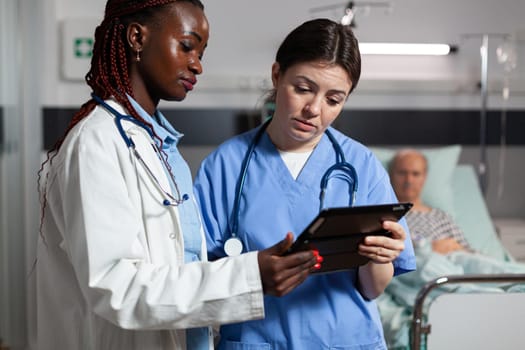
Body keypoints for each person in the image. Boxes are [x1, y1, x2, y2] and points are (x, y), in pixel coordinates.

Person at [32, 1, 318, 349]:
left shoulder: (158, 147)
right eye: (187, 45)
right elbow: (116, 287)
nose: (197, 64)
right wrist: (248, 276)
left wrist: (249, 270)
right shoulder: (97, 142)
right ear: (137, 37)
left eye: (201, 52)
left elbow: (177, 267)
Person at [194, 18, 416, 349]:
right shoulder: (225, 166)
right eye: (303, 88)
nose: (314, 109)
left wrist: (379, 254)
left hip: (346, 340)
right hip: (257, 341)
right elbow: (197, 281)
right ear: (276, 75)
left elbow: (372, 288)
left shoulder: (361, 166)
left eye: (334, 99)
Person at [388, 148, 473, 254]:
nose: (409, 180)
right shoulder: (386, 216)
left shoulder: (442, 217)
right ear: (390, 175)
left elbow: (471, 255)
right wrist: (430, 249)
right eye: (402, 173)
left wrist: (455, 247)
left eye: (415, 174)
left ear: (424, 177)